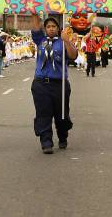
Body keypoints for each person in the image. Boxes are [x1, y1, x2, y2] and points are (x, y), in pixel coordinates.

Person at [30, 14, 78, 154]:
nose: (51, 29)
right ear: (45, 29)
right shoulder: (40, 39)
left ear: (58, 28)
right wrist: (34, 10)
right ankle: (46, 141)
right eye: (48, 27)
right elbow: (35, 24)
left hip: (60, 84)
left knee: (61, 114)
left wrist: (67, 41)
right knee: (43, 113)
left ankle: (63, 136)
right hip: (41, 84)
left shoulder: (63, 41)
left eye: (54, 26)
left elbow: (73, 56)